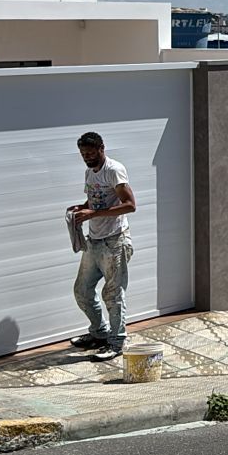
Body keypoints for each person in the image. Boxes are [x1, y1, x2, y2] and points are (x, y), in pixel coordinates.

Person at [68, 132, 137, 361]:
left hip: (114, 241)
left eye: (89, 153)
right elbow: (94, 199)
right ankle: (99, 333)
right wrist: (82, 208)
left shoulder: (114, 170)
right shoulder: (90, 171)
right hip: (94, 240)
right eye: (82, 154)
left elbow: (129, 205)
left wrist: (93, 213)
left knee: (113, 293)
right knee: (82, 290)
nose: (86, 157)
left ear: (101, 148)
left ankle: (116, 342)